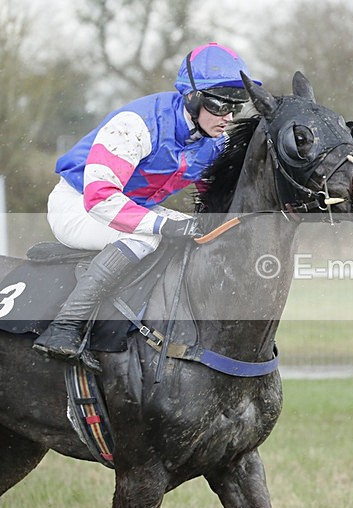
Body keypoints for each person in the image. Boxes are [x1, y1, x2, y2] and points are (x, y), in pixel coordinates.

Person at [33, 42, 260, 360]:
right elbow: (99, 197)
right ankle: (65, 327)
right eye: (221, 106)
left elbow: (217, 202)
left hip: (126, 207)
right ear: (192, 98)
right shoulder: (137, 125)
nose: (228, 117)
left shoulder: (212, 142)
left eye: (235, 109)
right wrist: (161, 224)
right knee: (149, 233)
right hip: (77, 204)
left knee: (197, 230)